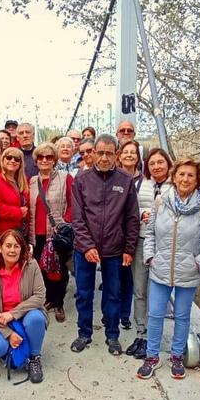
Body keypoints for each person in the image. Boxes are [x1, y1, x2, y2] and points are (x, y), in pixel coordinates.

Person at [136, 158, 200, 380]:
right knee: (155, 314)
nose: (185, 179)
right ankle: (152, 356)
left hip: (188, 270)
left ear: (197, 179)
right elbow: (150, 232)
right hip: (160, 267)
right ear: (175, 176)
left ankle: (176, 357)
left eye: (190, 175)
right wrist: (150, 256)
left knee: (182, 316)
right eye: (181, 174)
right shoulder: (161, 202)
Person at [70, 134, 140, 355]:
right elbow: (77, 218)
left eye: (109, 153)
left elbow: (131, 217)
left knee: (113, 293)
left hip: (114, 249)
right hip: (84, 249)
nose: (104, 158)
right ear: (93, 153)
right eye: (100, 153)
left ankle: (112, 334)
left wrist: (129, 248)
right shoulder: (81, 180)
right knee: (84, 293)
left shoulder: (125, 181)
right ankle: (84, 333)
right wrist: (87, 246)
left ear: (116, 155)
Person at [0, 229, 47, 384]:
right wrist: (8, 333)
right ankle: (13, 351)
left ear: (22, 248)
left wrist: (13, 314)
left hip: (24, 315)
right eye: (8, 246)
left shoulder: (31, 265)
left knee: (36, 318)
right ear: (0, 248)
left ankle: (34, 358)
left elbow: (40, 296)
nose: (12, 250)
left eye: (16, 246)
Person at [124, 147, 172, 358]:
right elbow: (129, 211)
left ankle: (154, 337)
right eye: (152, 163)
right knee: (140, 291)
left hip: (165, 245)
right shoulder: (139, 184)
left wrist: (155, 214)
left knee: (157, 294)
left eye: (160, 162)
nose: (156, 167)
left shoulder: (176, 186)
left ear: (168, 164)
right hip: (141, 242)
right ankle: (141, 333)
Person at [28, 142, 74, 324]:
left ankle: (58, 301)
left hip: (56, 233)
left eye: (48, 157)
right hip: (36, 233)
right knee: (42, 268)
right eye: (41, 157)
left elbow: (73, 204)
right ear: (36, 161)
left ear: (55, 160)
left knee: (59, 269)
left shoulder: (65, 178)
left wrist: (64, 224)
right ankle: (47, 298)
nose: (45, 160)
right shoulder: (32, 181)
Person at [115, 140, 144, 342]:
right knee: (115, 278)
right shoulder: (112, 178)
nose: (129, 155)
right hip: (116, 234)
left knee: (129, 279)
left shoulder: (145, 181)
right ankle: (115, 313)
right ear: (120, 155)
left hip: (137, 234)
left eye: (133, 152)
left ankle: (125, 314)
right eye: (126, 152)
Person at [0, 147, 30, 240]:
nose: (13, 161)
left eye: (17, 159)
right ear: (3, 159)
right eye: (9, 157)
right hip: (3, 234)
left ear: (21, 163)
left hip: (21, 232)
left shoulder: (22, 180)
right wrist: (18, 212)